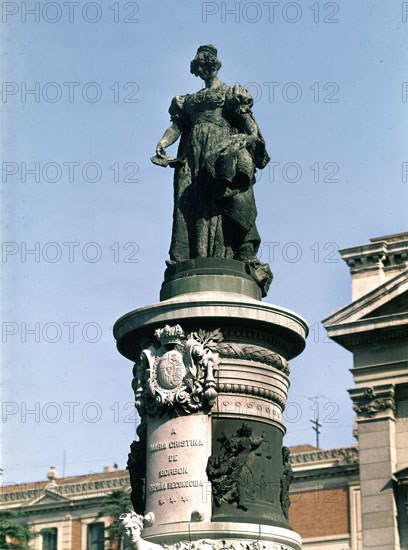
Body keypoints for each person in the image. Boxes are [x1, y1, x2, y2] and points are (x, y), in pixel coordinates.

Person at [152, 45, 272, 294]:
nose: (206, 69)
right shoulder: (187, 101)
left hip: (218, 158)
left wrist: (245, 141)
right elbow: (176, 127)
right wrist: (163, 143)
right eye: (201, 66)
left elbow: (249, 127)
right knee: (190, 205)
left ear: (216, 66)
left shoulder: (230, 93)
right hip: (190, 157)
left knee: (220, 204)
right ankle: (191, 257)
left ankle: (224, 256)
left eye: (209, 65)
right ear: (197, 70)